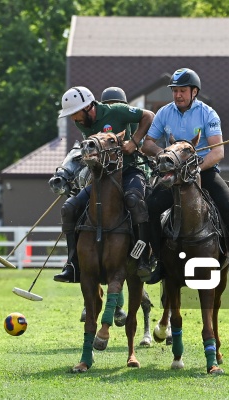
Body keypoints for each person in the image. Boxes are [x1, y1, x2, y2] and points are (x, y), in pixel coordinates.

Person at [141, 68, 229, 288]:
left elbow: (218, 152)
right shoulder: (164, 113)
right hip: (172, 175)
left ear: (194, 92)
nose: (177, 95)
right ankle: (158, 261)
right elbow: (147, 143)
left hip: (203, 171)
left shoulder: (208, 114)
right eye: (175, 91)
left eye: (182, 91)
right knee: (149, 208)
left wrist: (196, 170)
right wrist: (165, 156)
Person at [54, 86, 155, 283]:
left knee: (134, 200)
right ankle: (73, 264)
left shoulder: (116, 111)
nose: (74, 119)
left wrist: (134, 142)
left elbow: (149, 116)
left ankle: (143, 259)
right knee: (69, 207)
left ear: (88, 106)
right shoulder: (82, 123)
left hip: (130, 171)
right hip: (102, 178)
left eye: (75, 114)